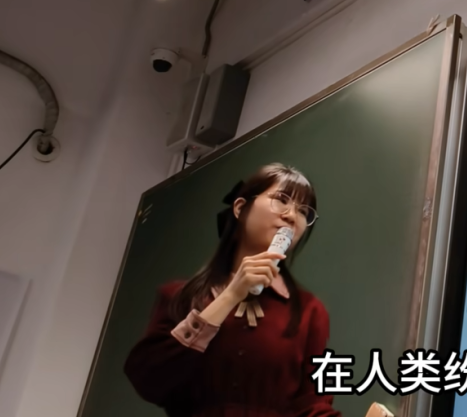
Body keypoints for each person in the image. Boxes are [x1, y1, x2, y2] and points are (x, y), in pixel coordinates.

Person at [125, 163, 341, 417]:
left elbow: (313, 405)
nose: (292, 216)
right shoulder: (179, 296)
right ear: (240, 208)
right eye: (281, 199)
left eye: (303, 211)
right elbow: (149, 380)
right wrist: (230, 295)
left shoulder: (309, 311)